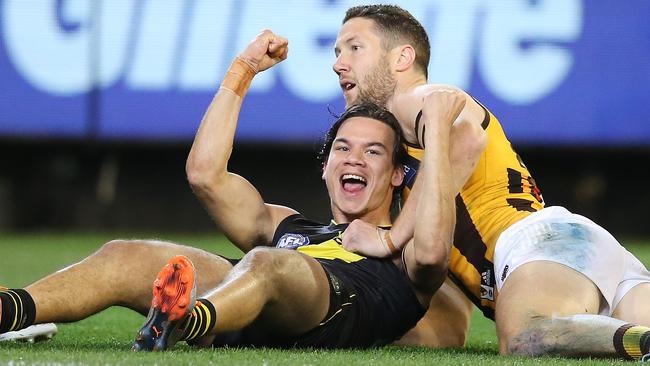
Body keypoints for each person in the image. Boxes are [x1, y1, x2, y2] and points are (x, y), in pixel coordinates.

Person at [0, 31, 461, 351]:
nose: (354, 159)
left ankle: (184, 321)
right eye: (342, 148)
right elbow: (205, 175)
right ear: (325, 168)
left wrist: (438, 132)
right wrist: (242, 71)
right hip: (242, 303)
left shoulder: (405, 247)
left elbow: (436, 259)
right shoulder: (289, 225)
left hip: (319, 306)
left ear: (400, 174)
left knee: (268, 262)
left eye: (374, 152)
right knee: (125, 253)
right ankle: (11, 309)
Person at [332, 4, 650, 361]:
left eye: (354, 48)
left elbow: (466, 139)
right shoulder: (417, 176)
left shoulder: (416, 98)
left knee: (524, 339)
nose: (339, 63)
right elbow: (448, 326)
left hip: (534, 245)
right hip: (570, 258)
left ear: (402, 58)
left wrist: (390, 236)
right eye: (338, 52)